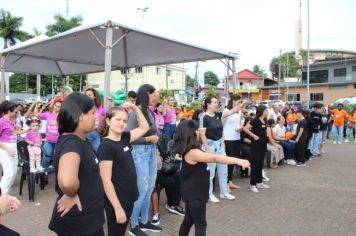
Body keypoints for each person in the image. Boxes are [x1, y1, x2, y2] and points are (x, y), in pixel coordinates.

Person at [173, 120, 250, 236]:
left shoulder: (191, 150)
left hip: (193, 192)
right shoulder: (193, 152)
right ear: (191, 133)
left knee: (189, 220)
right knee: (201, 224)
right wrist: (238, 160)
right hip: (195, 194)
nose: (200, 132)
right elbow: (215, 158)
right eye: (197, 130)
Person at [48, 93, 105, 236]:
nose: (96, 117)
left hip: (87, 221)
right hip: (80, 225)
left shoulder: (80, 140)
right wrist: (71, 193)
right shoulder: (72, 143)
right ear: (80, 116)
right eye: (92, 113)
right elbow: (67, 182)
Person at [97, 104, 149, 236]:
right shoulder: (106, 147)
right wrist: (117, 207)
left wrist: (136, 109)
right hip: (117, 200)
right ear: (108, 121)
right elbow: (106, 180)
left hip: (128, 197)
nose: (122, 123)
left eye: (125, 121)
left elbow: (144, 127)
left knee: (121, 232)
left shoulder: (124, 138)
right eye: (118, 119)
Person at [128, 84, 162, 235]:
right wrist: (148, 138)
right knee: (142, 190)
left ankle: (144, 221)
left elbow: (155, 137)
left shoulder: (149, 111)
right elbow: (128, 137)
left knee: (149, 188)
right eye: (155, 95)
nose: (157, 98)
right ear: (147, 94)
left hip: (150, 153)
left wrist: (157, 154)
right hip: (139, 153)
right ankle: (134, 225)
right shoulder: (135, 113)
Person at [199, 96, 239, 203]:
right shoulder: (204, 117)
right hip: (210, 146)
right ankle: (209, 194)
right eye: (215, 102)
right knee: (211, 173)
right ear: (208, 104)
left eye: (217, 102)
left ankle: (224, 192)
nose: (217, 104)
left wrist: (241, 105)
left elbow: (231, 112)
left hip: (219, 146)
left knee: (223, 171)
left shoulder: (218, 115)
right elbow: (202, 135)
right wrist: (207, 149)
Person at [242, 105, 270, 193]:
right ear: (262, 111)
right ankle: (252, 184)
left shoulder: (264, 120)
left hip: (263, 144)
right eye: (266, 110)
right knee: (255, 164)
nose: (267, 111)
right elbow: (245, 128)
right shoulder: (256, 120)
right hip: (256, 145)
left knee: (260, 164)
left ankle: (259, 182)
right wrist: (254, 136)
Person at [222, 95, 246, 192]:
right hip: (228, 138)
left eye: (240, 102)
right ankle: (226, 182)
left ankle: (230, 181)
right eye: (238, 102)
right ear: (233, 101)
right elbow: (222, 126)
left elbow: (240, 122)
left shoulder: (238, 111)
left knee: (234, 160)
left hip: (236, 137)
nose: (239, 104)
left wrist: (241, 127)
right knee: (228, 161)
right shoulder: (226, 111)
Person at [32, 99, 61, 168]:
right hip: (48, 141)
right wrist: (36, 104)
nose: (55, 107)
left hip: (59, 142)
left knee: (58, 159)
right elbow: (36, 114)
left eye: (58, 106)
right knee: (46, 159)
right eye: (55, 105)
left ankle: (57, 174)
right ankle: (42, 175)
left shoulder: (62, 117)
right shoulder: (48, 115)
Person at [85, 88, 113, 152]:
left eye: (90, 95)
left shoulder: (99, 108)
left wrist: (112, 102)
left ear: (94, 97)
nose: (87, 97)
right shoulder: (82, 108)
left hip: (96, 133)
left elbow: (111, 113)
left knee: (99, 153)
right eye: (86, 95)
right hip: (86, 134)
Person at [0, 101, 19, 195]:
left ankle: (5, 193)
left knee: (14, 172)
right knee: (9, 173)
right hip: (4, 148)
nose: (17, 114)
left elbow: (14, 134)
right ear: (8, 111)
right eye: (15, 112)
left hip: (13, 147)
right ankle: (2, 196)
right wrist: (7, 149)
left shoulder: (12, 121)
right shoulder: (1, 121)